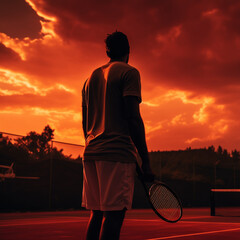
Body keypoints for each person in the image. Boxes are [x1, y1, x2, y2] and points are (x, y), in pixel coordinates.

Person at [81, 31, 154, 240]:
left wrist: (93, 145)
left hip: (91, 152)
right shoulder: (130, 73)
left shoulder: (89, 79)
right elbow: (133, 118)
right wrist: (146, 161)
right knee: (113, 218)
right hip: (116, 154)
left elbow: (85, 125)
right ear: (129, 51)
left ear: (107, 51)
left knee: (96, 215)